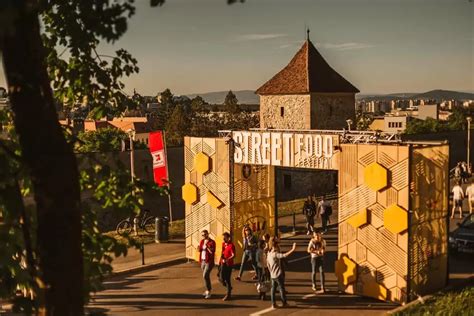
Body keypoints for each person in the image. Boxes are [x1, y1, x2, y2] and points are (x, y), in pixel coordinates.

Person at [266, 237, 296, 309]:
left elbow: (267, 264)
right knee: (281, 288)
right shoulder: (275, 254)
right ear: (275, 246)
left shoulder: (269, 253)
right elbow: (284, 255)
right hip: (278, 274)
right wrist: (293, 249)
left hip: (272, 275)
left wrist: (270, 272)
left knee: (273, 290)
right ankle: (284, 303)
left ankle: (273, 304)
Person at [197, 230, 216, 299]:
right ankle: (207, 290)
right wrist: (198, 249)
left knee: (205, 275)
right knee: (206, 277)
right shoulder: (202, 241)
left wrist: (207, 247)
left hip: (209, 262)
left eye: (205, 234)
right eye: (202, 235)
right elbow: (200, 250)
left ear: (208, 234)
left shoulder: (212, 242)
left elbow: (212, 251)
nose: (204, 236)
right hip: (203, 261)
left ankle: (209, 291)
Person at [220, 232, 236, 301]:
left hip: (228, 264)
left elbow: (233, 255)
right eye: (223, 237)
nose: (223, 238)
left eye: (225, 237)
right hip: (222, 263)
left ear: (228, 238)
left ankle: (228, 294)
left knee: (227, 279)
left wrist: (227, 259)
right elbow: (223, 253)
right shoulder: (223, 244)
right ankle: (229, 287)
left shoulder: (231, 245)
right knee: (221, 278)